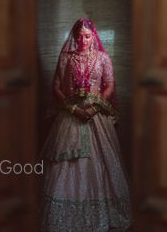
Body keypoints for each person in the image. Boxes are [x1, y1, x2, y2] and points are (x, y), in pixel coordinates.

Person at [39, 18, 132, 231]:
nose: (83, 40)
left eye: (87, 36)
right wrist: (73, 109)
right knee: (65, 166)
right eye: (79, 36)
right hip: (70, 114)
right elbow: (56, 87)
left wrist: (94, 108)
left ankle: (102, 214)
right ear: (74, 37)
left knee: (103, 163)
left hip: (95, 114)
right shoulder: (65, 58)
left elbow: (109, 86)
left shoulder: (103, 58)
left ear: (93, 37)